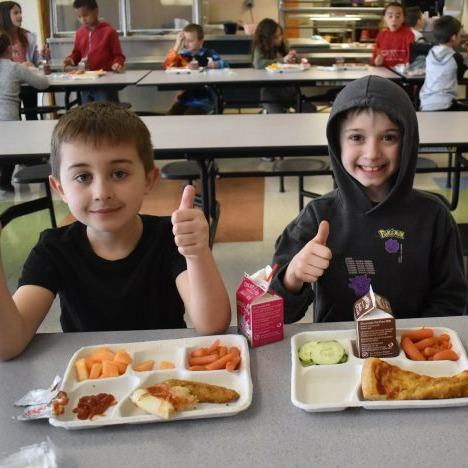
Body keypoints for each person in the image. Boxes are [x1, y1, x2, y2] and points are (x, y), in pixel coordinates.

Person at [0, 102, 231, 360]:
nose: (102, 193)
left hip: (163, 375)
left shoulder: (168, 236)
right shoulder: (53, 250)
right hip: (91, 389)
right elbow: (8, 345)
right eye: (82, 177)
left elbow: (212, 325)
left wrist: (197, 253)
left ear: (148, 180)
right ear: (60, 188)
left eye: (119, 174)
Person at [270, 75, 467, 323]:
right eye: (356, 137)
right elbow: (277, 312)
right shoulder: (317, 216)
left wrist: (416, 344)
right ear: (337, 144)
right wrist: (294, 276)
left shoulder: (434, 217)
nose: (372, 153)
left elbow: (451, 298)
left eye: (388, 137)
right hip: (341, 352)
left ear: (406, 142)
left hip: (411, 354)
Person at [0, 31, 48, 192]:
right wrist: (32, 69)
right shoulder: (14, 68)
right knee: (9, 148)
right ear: (8, 50)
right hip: (9, 120)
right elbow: (43, 84)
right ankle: (5, 180)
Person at [62, 0, 125, 104]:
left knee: (107, 111)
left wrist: (117, 64)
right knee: (88, 113)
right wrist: (71, 59)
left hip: (105, 82)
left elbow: (118, 55)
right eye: (79, 17)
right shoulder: (80, 33)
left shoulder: (109, 32)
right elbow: (77, 54)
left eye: (86, 15)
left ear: (95, 11)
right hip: (86, 81)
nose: (83, 19)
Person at [252, 18, 316, 114]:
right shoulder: (260, 48)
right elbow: (258, 63)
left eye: (280, 35)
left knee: (310, 110)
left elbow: (290, 64)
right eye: (275, 37)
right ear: (266, 38)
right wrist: (282, 60)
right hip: (270, 93)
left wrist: (293, 59)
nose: (280, 39)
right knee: (279, 117)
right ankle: (266, 112)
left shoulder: (283, 46)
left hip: (289, 91)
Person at [163, 23, 228, 115]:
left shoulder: (209, 54)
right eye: (184, 40)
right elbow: (167, 66)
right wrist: (177, 45)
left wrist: (215, 65)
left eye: (190, 41)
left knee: (190, 116)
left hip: (203, 100)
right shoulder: (182, 55)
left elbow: (225, 65)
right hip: (185, 99)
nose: (186, 44)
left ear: (200, 42)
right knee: (171, 116)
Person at [0, 1, 50, 120]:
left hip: (28, 81)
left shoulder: (27, 36)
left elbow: (37, 61)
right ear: (5, 15)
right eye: (16, 13)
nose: (20, 16)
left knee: (31, 113)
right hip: (10, 84)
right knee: (12, 112)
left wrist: (44, 57)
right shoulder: (1, 38)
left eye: (20, 12)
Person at [419, 15, 468, 111]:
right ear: (454, 37)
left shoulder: (431, 53)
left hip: (425, 103)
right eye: (460, 34)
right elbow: (460, 77)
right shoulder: (455, 57)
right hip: (446, 104)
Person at [372, 2, 415, 67]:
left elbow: (411, 57)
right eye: (390, 16)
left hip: (401, 73)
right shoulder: (381, 35)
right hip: (384, 72)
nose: (394, 19)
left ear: (403, 18)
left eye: (398, 16)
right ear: (384, 18)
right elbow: (374, 60)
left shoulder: (408, 34)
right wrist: (377, 62)